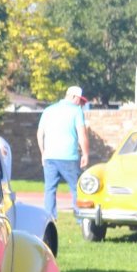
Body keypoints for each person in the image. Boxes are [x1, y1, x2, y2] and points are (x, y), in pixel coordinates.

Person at [36, 85, 90, 221]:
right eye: (80, 100)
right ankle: (80, 217)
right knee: (76, 188)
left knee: (50, 189)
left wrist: (43, 153)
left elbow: (40, 133)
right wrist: (85, 154)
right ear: (73, 97)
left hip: (50, 156)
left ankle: (50, 217)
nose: (81, 104)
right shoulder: (76, 111)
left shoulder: (48, 110)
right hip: (68, 156)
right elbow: (82, 134)